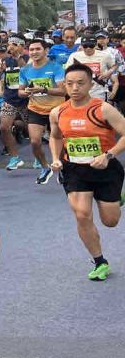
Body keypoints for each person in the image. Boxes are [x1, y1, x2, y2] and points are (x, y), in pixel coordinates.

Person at [49, 62, 125, 281]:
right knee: (82, 214)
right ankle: (100, 262)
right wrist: (55, 158)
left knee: (110, 221)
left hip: (105, 168)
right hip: (74, 169)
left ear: (91, 84)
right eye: (70, 83)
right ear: (64, 85)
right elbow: (55, 137)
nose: (75, 88)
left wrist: (108, 155)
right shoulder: (57, 112)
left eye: (80, 83)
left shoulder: (103, 108)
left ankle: (117, 198)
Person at [19, 39, 66, 184]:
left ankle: (62, 167)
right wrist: (25, 92)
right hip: (35, 109)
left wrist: (44, 89)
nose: (34, 52)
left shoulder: (56, 67)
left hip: (56, 110)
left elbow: (63, 91)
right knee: (34, 142)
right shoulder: (25, 70)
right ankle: (45, 167)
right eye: (31, 49)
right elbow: (20, 91)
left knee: (61, 142)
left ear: (46, 51)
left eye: (37, 49)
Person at [0, 44, 29, 170]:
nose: (7, 53)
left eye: (7, 51)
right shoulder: (3, 62)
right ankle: (14, 157)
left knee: (32, 131)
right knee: (4, 128)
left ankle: (39, 157)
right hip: (9, 99)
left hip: (26, 99)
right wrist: (0, 71)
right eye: (1, 52)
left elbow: (27, 70)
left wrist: (18, 57)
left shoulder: (27, 58)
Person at [65, 36, 117, 101]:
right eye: (85, 46)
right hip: (80, 91)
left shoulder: (105, 55)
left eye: (91, 46)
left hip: (98, 91)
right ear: (81, 45)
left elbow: (114, 66)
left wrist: (108, 73)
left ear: (95, 45)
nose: (88, 48)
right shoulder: (74, 56)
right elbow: (67, 71)